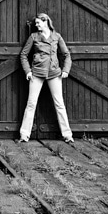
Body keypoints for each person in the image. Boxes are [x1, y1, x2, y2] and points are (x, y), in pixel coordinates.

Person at [18, 12, 74, 144]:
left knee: (59, 104)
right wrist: (28, 71)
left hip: (54, 73)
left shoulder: (56, 37)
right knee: (31, 104)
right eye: (36, 23)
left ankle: (67, 135)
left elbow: (66, 55)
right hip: (37, 73)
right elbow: (23, 55)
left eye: (38, 22)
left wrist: (66, 70)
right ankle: (24, 135)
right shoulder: (34, 37)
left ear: (45, 21)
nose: (36, 25)